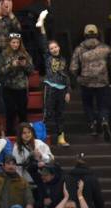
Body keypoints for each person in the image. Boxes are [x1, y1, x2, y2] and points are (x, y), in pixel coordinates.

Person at [35, 11, 70, 147]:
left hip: (62, 89)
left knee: (60, 114)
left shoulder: (63, 59)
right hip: (50, 87)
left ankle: (61, 138)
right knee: (47, 113)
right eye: (51, 48)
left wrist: (67, 91)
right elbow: (44, 41)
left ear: (59, 47)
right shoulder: (48, 57)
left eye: (55, 47)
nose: (54, 49)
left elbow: (66, 75)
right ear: (49, 51)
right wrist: (41, 24)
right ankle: (40, 137)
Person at [0, 32, 33, 136]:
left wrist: (24, 65)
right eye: (13, 42)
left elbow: (31, 70)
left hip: (21, 88)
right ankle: (10, 134)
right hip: (8, 87)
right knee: (10, 112)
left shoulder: (25, 54)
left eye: (17, 42)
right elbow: (0, 71)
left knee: (22, 112)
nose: (15, 44)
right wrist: (11, 65)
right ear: (9, 43)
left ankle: (24, 134)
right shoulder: (4, 54)